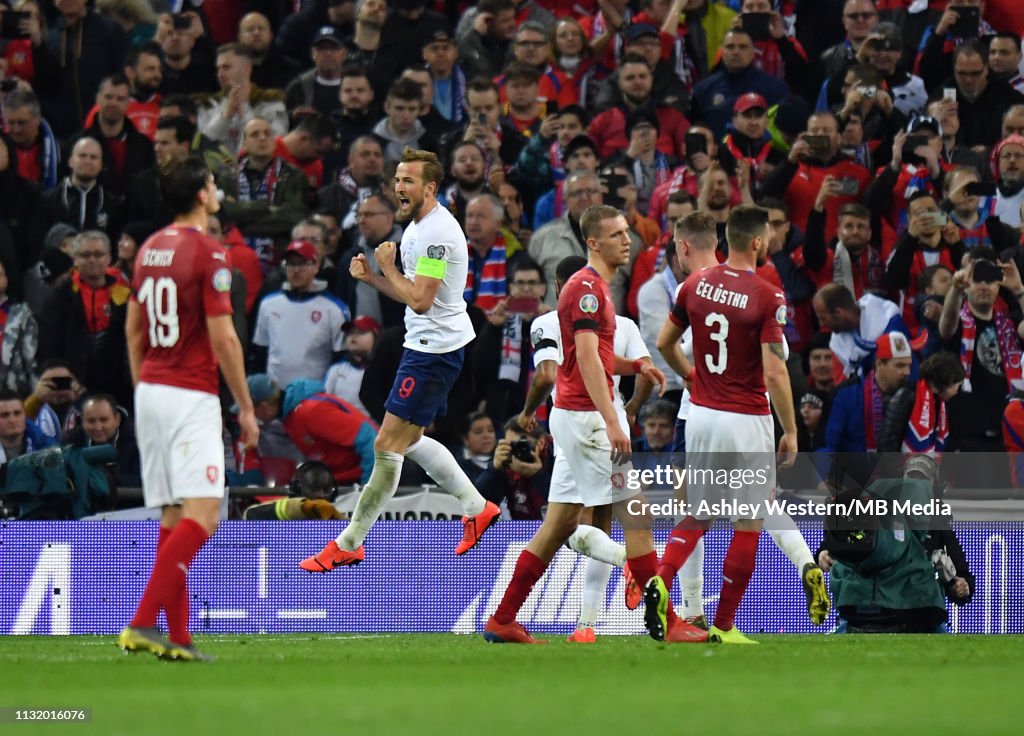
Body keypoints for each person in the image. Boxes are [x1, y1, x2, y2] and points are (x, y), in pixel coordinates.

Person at [483, 204, 685, 645]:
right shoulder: (588, 289)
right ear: (592, 242)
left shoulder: (593, 288)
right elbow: (590, 362)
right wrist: (615, 419)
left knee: (558, 525)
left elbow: (583, 360)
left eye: (627, 231)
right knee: (637, 516)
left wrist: (635, 367)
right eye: (615, 234)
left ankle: (502, 618)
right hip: (589, 420)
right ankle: (668, 621)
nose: (626, 240)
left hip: (574, 416)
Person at [300, 148, 500, 572]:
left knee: (386, 445)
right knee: (406, 442)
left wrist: (386, 267)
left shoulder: (435, 233)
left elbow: (422, 300)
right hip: (426, 345)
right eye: (397, 180)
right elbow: (415, 297)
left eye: (408, 181)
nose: (399, 188)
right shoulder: (420, 227)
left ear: (429, 187)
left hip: (433, 351)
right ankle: (477, 507)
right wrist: (372, 277)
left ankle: (350, 541)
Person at [118, 154, 259, 662]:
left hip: (151, 391)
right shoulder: (210, 253)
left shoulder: (150, 248)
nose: (217, 188)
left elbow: (133, 331)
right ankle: (139, 623)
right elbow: (223, 338)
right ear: (203, 193)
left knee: (174, 518)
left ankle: (178, 639)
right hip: (190, 393)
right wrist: (245, 407)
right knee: (205, 515)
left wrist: (144, 390)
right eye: (214, 183)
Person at [645, 205, 799, 645]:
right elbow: (774, 372)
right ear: (756, 243)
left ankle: (662, 576)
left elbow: (664, 343)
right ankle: (725, 626)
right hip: (747, 416)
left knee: (698, 512)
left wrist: (690, 376)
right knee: (748, 520)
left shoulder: (693, 285)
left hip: (702, 414)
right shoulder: (768, 296)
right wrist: (789, 429)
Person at [517, 253, 661, 642]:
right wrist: (628, 411)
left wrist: (528, 412)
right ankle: (627, 594)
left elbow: (548, 373)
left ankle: (566, 623)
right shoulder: (621, 321)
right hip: (602, 426)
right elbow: (643, 371)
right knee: (622, 520)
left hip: (572, 428)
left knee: (567, 525)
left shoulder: (546, 322)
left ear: (557, 284)